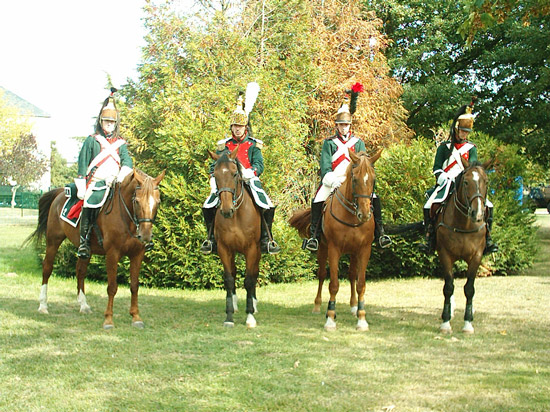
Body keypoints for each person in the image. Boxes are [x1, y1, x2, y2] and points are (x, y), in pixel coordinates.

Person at [303, 83, 392, 252]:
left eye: (347, 125)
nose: (344, 127)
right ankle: (314, 236)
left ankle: (380, 233)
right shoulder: (329, 143)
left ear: (350, 126)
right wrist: (331, 181)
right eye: (341, 125)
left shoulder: (358, 143)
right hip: (333, 182)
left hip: (355, 182)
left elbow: (364, 165)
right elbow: (325, 166)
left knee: (375, 196)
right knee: (317, 200)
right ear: (336, 126)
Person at [201, 82, 280, 255]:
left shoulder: (253, 144)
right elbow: (214, 165)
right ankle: (211, 239)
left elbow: (259, 164)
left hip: (249, 178)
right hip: (226, 180)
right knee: (208, 205)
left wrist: (251, 172)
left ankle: (267, 239)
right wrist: (213, 177)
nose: (237, 130)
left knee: (266, 203)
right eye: (235, 127)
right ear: (231, 127)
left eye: (240, 127)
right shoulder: (224, 145)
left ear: (245, 127)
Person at [419, 101, 498, 255]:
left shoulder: (471, 148)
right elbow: (436, 167)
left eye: (467, 132)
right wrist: (443, 177)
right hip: (447, 180)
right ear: (456, 129)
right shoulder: (444, 147)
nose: (464, 134)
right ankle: (429, 237)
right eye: (462, 131)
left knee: (489, 204)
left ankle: (487, 237)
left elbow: (474, 166)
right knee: (429, 204)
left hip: (465, 180)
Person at [74, 88, 133, 259]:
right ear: (101, 121)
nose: (109, 124)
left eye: (112, 122)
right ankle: (84, 243)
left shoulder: (120, 143)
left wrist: (122, 176)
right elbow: (82, 164)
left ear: (115, 124)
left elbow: (127, 161)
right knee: (89, 204)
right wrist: (82, 186)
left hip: (115, 182)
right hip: (96, 181)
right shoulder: (92, 140)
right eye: (106, 121)